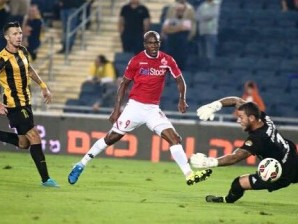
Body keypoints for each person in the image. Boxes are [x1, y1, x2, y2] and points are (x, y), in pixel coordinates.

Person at [68, 30, 212, 185]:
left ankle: (189, 175)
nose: (154, 45)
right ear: (145, 44)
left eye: (156, 42)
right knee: (111, 138)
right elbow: (123, 85)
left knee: (175, 139)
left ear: (159, 43)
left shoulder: (167, 60)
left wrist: (182, 99)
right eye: (150, 43)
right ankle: (81, 164)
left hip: (153, 110)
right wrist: (116, 110)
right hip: (135, 108)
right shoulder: (136, 61)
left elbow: (179, 80)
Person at [0, 21, 59, 187]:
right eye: (14, 34)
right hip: (14, 105)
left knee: (23, 143)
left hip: (26, 103)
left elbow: (29, 70)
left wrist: (43, 86)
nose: (18, 36)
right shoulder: (1, 59)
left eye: (19, 33)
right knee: (34, 136)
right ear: (6, 37)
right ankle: (46, 179)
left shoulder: (23, 50)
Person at [190, 96, 298, 203]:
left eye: (241, 117)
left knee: (238, 183)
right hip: (292, 156)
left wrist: (209, 162)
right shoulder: (262, 117)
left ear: (251, 118)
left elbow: (235, 158)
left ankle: (226, 200)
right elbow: (236, 101)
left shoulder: (258, 138)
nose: (238, 120)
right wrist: (214, 105)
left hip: (280, 174)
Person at [162, 1, 194, 70]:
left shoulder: (187, 20)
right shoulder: (169, 19)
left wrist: (171, 29)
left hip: (181, 41)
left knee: (181, 56)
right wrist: (176, 28)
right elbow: (165, 28)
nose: (179, 11)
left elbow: (183, 28)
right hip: (171, 41)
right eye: (178, 10)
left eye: (181, 10)